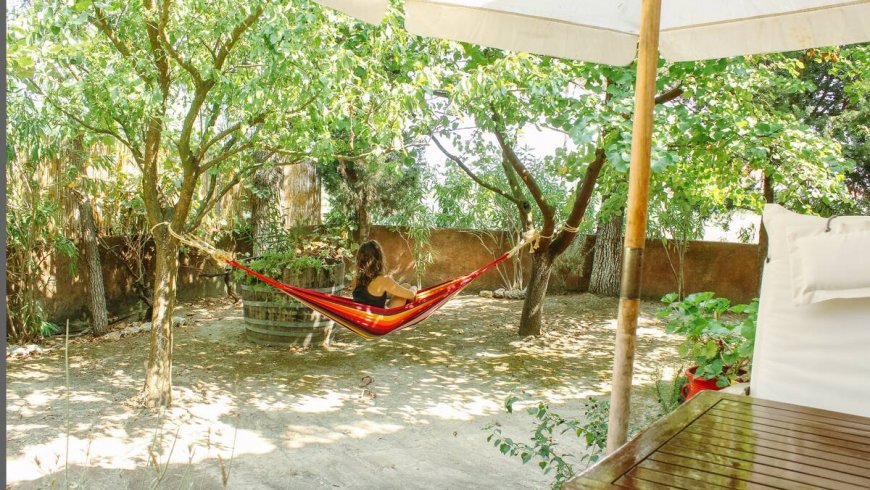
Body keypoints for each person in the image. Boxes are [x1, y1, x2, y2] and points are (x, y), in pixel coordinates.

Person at [353, 240, 417, 308]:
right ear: (379, 259)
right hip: (382, 316)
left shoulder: (355, 280)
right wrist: (415, 287)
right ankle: (408, 314)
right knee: (409, 292)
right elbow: (411, 295)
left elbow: (368, 298)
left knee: (406, 285)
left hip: (363, 315)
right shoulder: (383, 280)